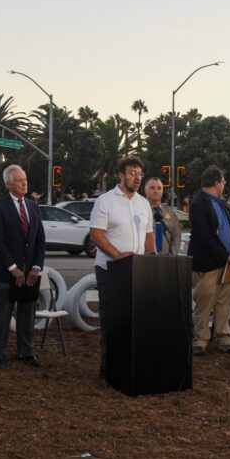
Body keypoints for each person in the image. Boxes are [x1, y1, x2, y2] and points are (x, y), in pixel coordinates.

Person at [88, 156, 155, 378]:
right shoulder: (106, 200)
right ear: (121, 175)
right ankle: (108, 369)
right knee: (112, 320)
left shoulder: (143, 203)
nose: (137, 178)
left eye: (139, 174)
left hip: (137, 271)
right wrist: (118, 255)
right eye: (132, 173)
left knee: (135, 320)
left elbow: (148, 235)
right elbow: (96, 234)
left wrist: (152, 259)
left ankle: (131, 366)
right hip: (110, 269)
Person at [0, 165, 46, 368]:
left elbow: (39, 240)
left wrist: (36, 267)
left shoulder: (33, 207)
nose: (24, 183)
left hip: (30, 273)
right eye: (20, 180)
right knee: (3, 314)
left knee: (27, 313)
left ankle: (26, 352)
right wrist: (13, 267)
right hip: (6, 272)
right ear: (8, 183)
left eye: (25, 180)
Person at [187, 166, 230, 356]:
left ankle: (224, 337)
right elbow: (205, 236)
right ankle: (200, 340)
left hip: (227, 266)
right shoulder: (198, 204)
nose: (224, 185)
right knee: (205, 302)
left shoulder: (222, 204)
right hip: (207, 264)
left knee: (224, 302)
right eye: (223, 182)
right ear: (217, 182)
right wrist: (225, 255)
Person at [143, 176, 183, 255]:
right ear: (145, 191)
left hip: (166, 260)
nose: (156, 191)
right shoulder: (139, 211)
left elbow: (177, 235)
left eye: (159, 188)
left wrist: (172, 255)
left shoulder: (169, 212)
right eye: (152, 188)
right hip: (144, 259)